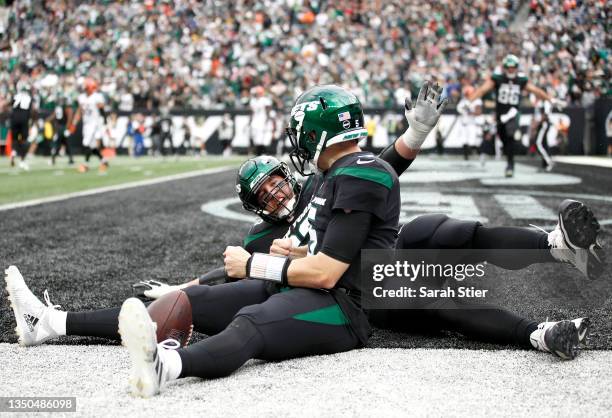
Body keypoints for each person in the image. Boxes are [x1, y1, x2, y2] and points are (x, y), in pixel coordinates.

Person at [470, 54, 565, 177]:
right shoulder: (497, 79)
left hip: (513, 113)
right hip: (500, 115)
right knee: (504, 139)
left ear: (516, 67)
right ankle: (509, 161)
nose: (511, 69)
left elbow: (536, 91)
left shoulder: (521, 80)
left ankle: (510, 165)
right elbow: (482, 90)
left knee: (510, 135)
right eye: (508, 67)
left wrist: (550, 99)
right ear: (504, 67)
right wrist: (468, 101)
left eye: (513, 66)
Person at [69, 78, 109, 173]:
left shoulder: (97, 97)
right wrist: (74, 123)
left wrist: (105, 122)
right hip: (87, 123)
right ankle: (103, 160)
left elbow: (102, 110)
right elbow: (79, 111)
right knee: (92, 146)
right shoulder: (82, 97)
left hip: (95, 123)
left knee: (86, 143)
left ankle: (86, 164)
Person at [9, 81, 36, 170]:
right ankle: (22, 160)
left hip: (14, 119)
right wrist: (32, 123)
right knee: (24, 140)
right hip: (24, 119)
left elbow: (10, 106)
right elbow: (33, 110)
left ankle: (13, 152)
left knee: (15, 139)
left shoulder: (16, 96)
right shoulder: (29, 97)